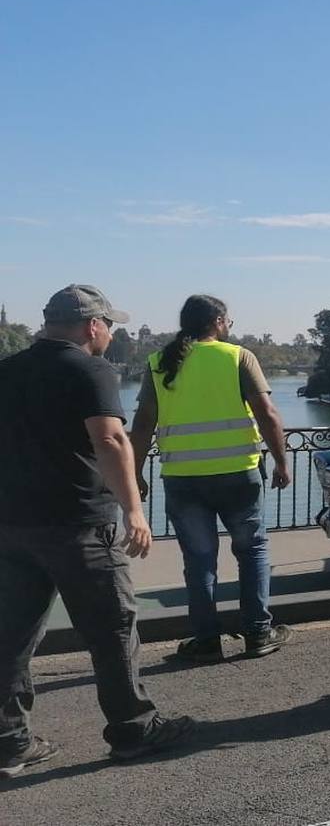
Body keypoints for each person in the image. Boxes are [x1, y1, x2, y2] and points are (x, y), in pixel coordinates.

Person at [1, 286, 194, 776]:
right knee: (112, 630)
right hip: (78, 524)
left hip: (12, 526)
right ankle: (134, 729)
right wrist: (134, 510)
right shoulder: (90, 369)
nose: (111, 333)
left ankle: (9, 741)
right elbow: (109, 438)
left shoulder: (8, 370)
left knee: (11, 636)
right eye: (110, 324)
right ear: (93, 325)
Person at [129, 295, 292, 663]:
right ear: (218, 321)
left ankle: (205, 640)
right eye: (228, 320)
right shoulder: (237, 357)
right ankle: (257, 632)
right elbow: (267, 414)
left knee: (199, 561)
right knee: (251, 552)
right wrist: (282, 462)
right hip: (239, 475)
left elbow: (142, 425)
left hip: (183, 479)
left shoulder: (158, 363)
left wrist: (136, 472)